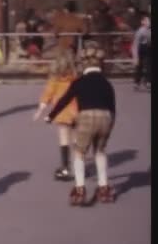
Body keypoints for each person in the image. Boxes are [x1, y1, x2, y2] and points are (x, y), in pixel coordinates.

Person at [44, 47, 117, 206]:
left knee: (79, 153)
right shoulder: (106, 83)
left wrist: (51, 116)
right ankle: (103, 187)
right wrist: (111, 123)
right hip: (106, 117)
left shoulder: (79, 82)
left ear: (84, 65)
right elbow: (112, 106)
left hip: (86, 117)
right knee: (100, 151)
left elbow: (64, 100)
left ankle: (79, 188)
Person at [33, 49, 78, 181]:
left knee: (64, 138)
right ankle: (78, 167)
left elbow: (47, 95)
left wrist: (39, 111)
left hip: (62, 112)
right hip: (77, 111)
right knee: (76, 139)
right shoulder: (76, 79)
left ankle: (65, 167)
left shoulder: (54, 80)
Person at [131, 14, 152, 90]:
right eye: (146, 21)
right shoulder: (140, 31)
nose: (148, 22)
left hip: (148, 49)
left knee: (148, 65)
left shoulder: (150, 30)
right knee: (139, 66)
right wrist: (135, 57)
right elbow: (135, 44)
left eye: (148, 20)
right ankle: (137, 82)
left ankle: (148, 82)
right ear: (142, 22)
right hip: (140, 49)